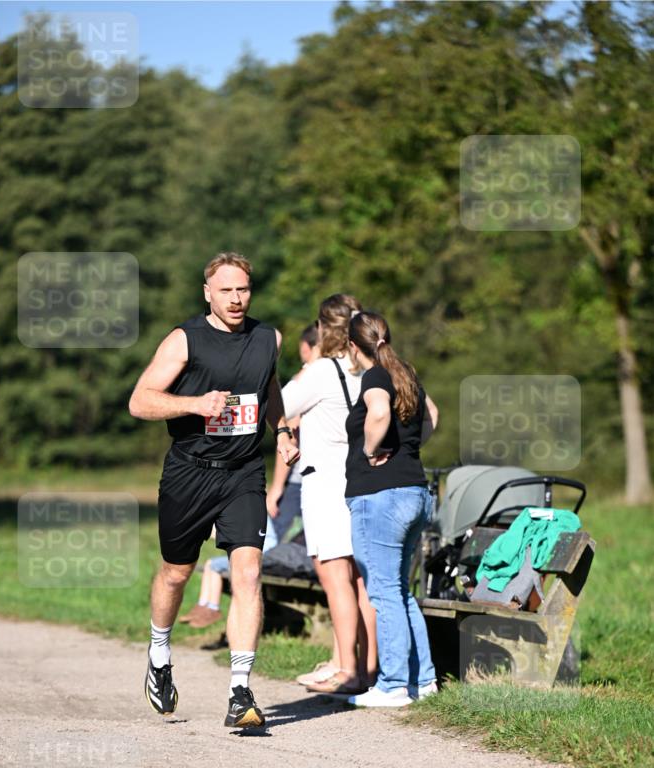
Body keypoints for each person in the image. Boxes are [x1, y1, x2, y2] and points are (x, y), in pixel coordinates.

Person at [128, 251, 299, 727]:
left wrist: (282, 432)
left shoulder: (269, 338)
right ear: (208, 293)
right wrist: (195, 404)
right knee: (176, 574)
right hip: (190, 470)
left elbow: (271, 388)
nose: (236, 298)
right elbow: (140, 401)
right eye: (226, 290)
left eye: (243, 289)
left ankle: (240, 693)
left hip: (243, 471)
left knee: (246, 574)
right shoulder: (185, 340)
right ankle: (159, 653)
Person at [282, 295, 378, 694]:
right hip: (365, 479)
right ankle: (368, 667)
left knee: (336, 576)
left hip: (325, 483)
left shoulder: (323, 371)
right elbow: (429, 413)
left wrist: (314, 360)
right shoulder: (374, 366)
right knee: (362, 580)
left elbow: (280, 405)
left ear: (322, 328)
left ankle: (348, 670)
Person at [343, 310, 439, 707]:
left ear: (353, 346)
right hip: (415, 491)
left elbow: (379, 411)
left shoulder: (375, 376)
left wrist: (370, 450)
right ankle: (424, 680)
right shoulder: (406, 374)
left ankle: (394, 685)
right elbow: (432, 415)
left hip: (380, 497)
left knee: (383, 593)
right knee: (399, 590)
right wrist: (409, 449)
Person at [180, 515, 279, 628]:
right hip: (257, 550)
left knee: (214, 566)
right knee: (210, 564)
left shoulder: (249, 510)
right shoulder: (247, 508)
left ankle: (212, 608)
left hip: (263, 553)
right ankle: (202, 606)